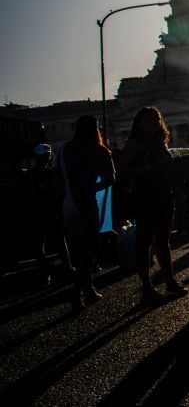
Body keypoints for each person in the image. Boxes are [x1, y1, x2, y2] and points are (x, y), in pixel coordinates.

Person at [119, 107, 188, 304]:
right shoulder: (134, 143)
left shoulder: (159, 142)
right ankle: (147, 288)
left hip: (164, 195)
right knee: (145, 241)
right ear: (139, 122)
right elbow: (123, 172)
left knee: (163, 241)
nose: (154, 122)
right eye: (149, 119)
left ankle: (170, 282)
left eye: (157, 118)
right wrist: (151, 168)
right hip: (145, 197)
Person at [58, 116, 115, 310]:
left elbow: (58, 176)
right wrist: (92, 186)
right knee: (89, 254)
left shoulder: (64, 149)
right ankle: (76, 294)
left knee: (78, 251)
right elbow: (111, 179)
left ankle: (89, 290)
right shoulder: (100, 151)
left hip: (68, 205)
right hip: (88, 205)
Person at [22, 144, 73, 284]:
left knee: (53, 243)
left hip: (46, 213)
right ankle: (51, 272)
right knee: (46, 244)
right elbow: (34, 193)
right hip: (39, 214)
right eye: (46, 155)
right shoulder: (35, 175)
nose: (48, 157)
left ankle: (53, 272)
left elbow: (58, 190)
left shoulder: (39, 174)